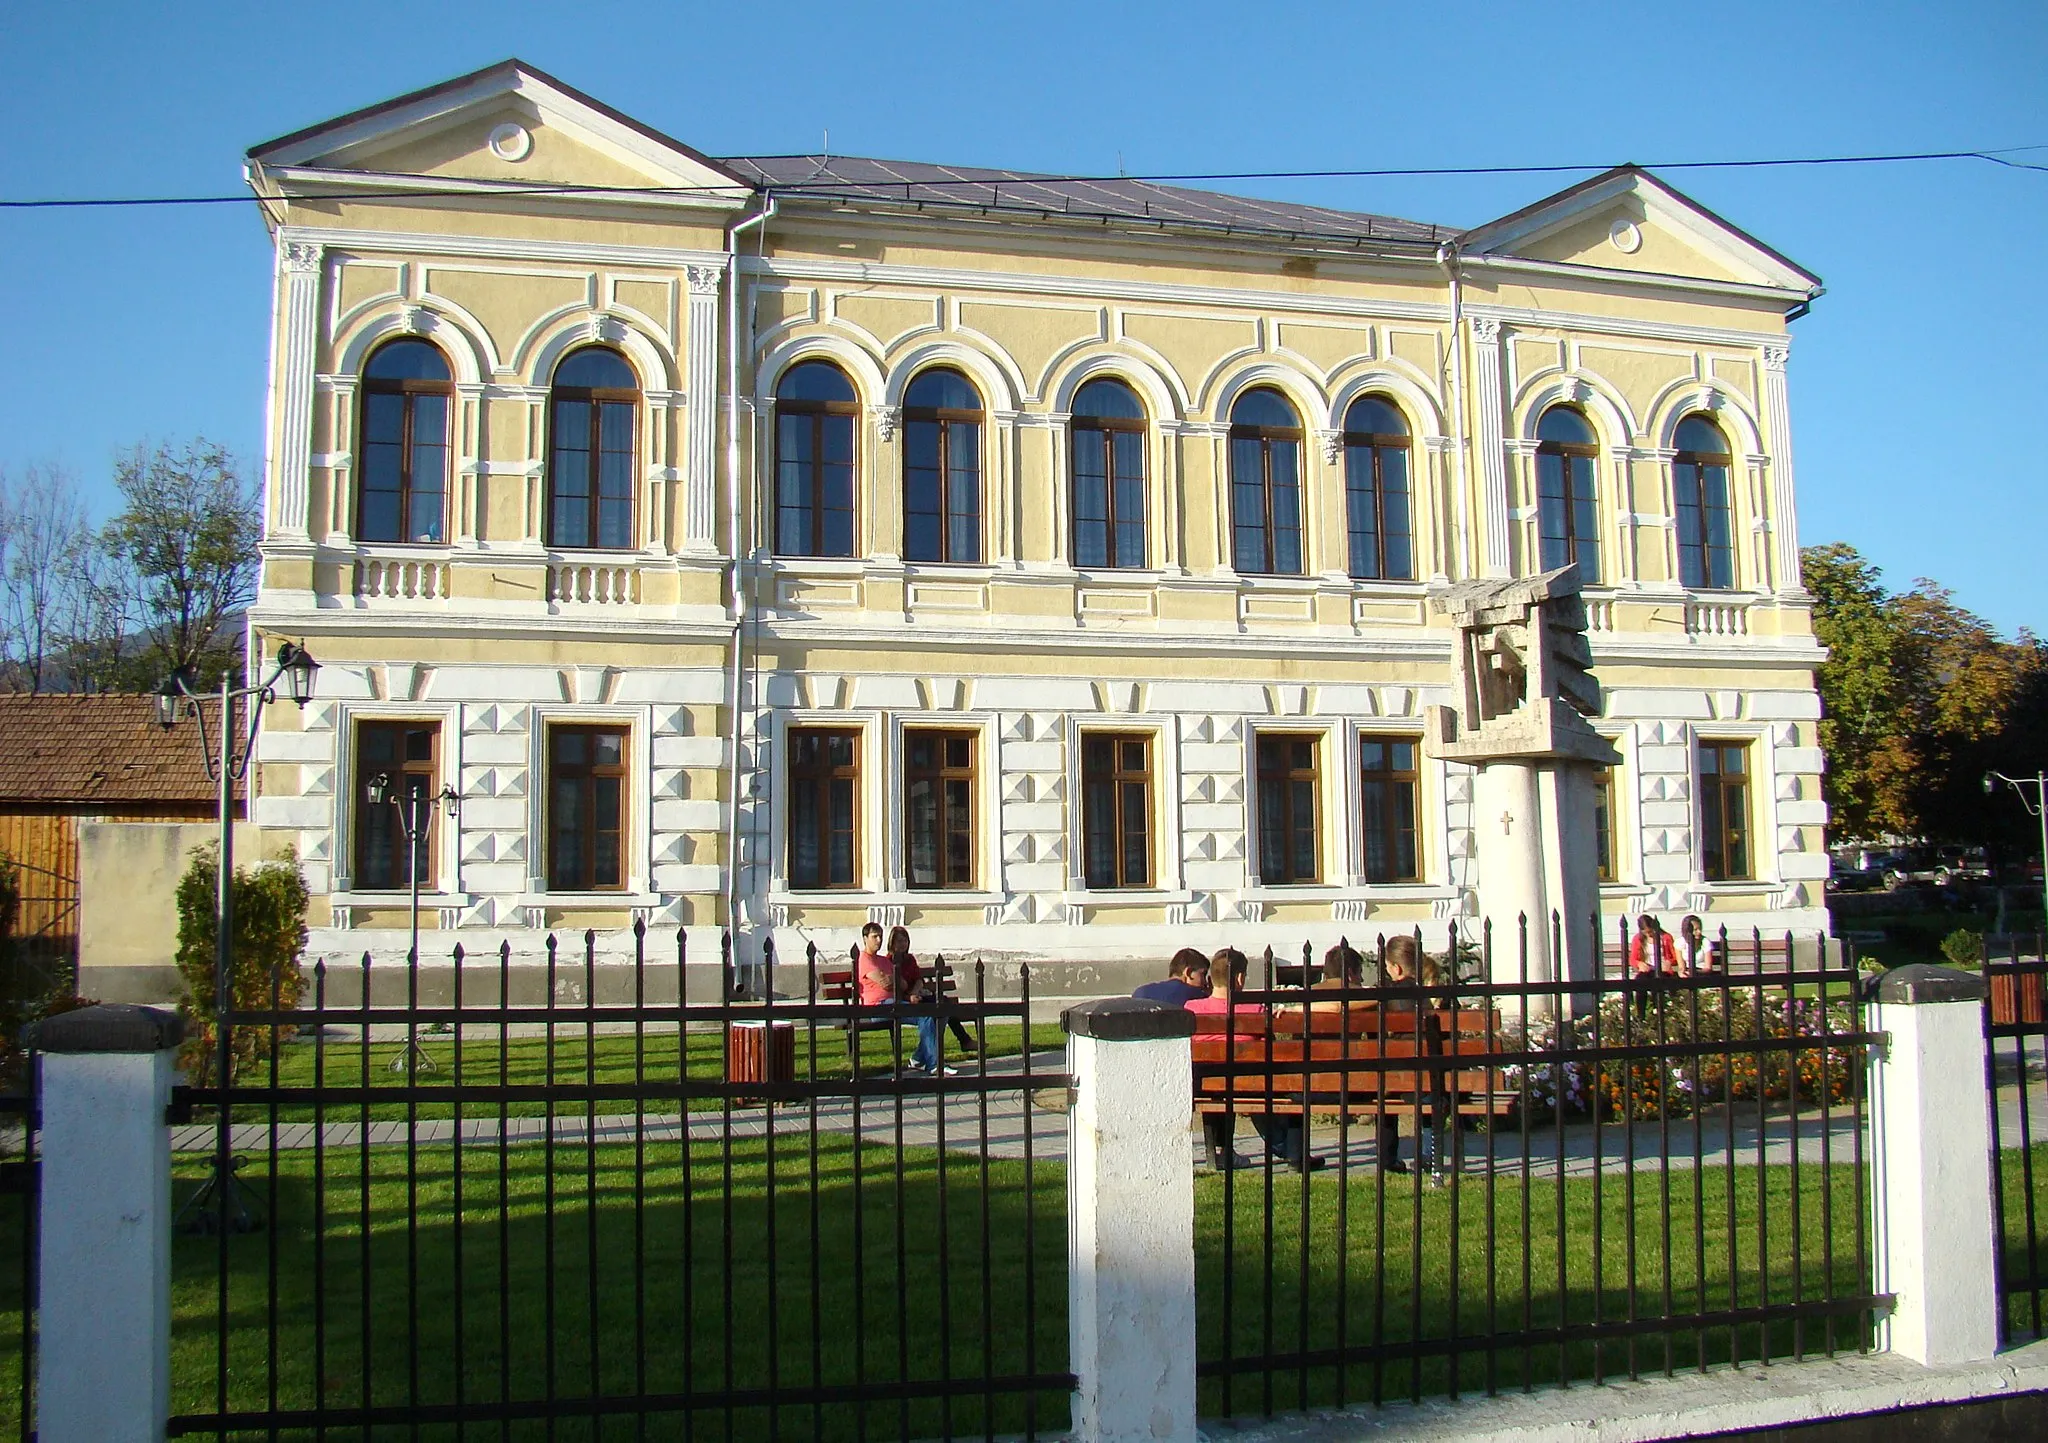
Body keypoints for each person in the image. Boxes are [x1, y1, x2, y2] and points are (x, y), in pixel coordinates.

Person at [1189, 947, 1326, 1172]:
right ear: (1240, 978)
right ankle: (1294, 1152)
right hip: (1251, 1084)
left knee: (1222, 1083)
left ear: (1212, 978)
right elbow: (1268, 1046)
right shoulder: (1254, 1008)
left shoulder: (1192, 1009)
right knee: (1289, 1087)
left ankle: (1219, 1153)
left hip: (1205, 1083)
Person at [1376, 934, 1450, 1177]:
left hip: (1395, 1080)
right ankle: (1429, 1157)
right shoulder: (1435, 996)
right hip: (1431, 1081)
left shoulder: (1384, 995)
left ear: (1395, 968)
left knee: (1384, 1092)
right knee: (1432, 1091)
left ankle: (1387, 1157)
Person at [856, 922, 946, 1076]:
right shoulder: (864, 959)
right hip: (878, 1007)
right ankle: (933, 1064)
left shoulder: (883, 961)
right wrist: (890, 980)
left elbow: (902, 984)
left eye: (880, 937)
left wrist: (890, 980)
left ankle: (918, 1058)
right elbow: (883, 981)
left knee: (937, 1013)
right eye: (874, 937)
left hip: (894, 1003)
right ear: (865, 938)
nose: (878, 940)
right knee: (924, 1016)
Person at [889, 925, 975, 1057]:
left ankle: (964, 1040)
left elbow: (918, 979)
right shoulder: (889, 961)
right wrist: (909, 997)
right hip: (902, 1001)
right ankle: (963, 1041)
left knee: (943, 1004)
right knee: (940, 1010)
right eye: (899, 941)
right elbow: (894, 988)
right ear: (892, 943)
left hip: (916, 995)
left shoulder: (910, 959)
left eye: (905, 941)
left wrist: (915, 992)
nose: (903, 944)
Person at [1134, 947, 1212, 1005]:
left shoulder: (1140, 993)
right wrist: (1211, 996)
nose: (1205, 982)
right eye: (1203, 974)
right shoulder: (1197, 996)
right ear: (1188, 972)